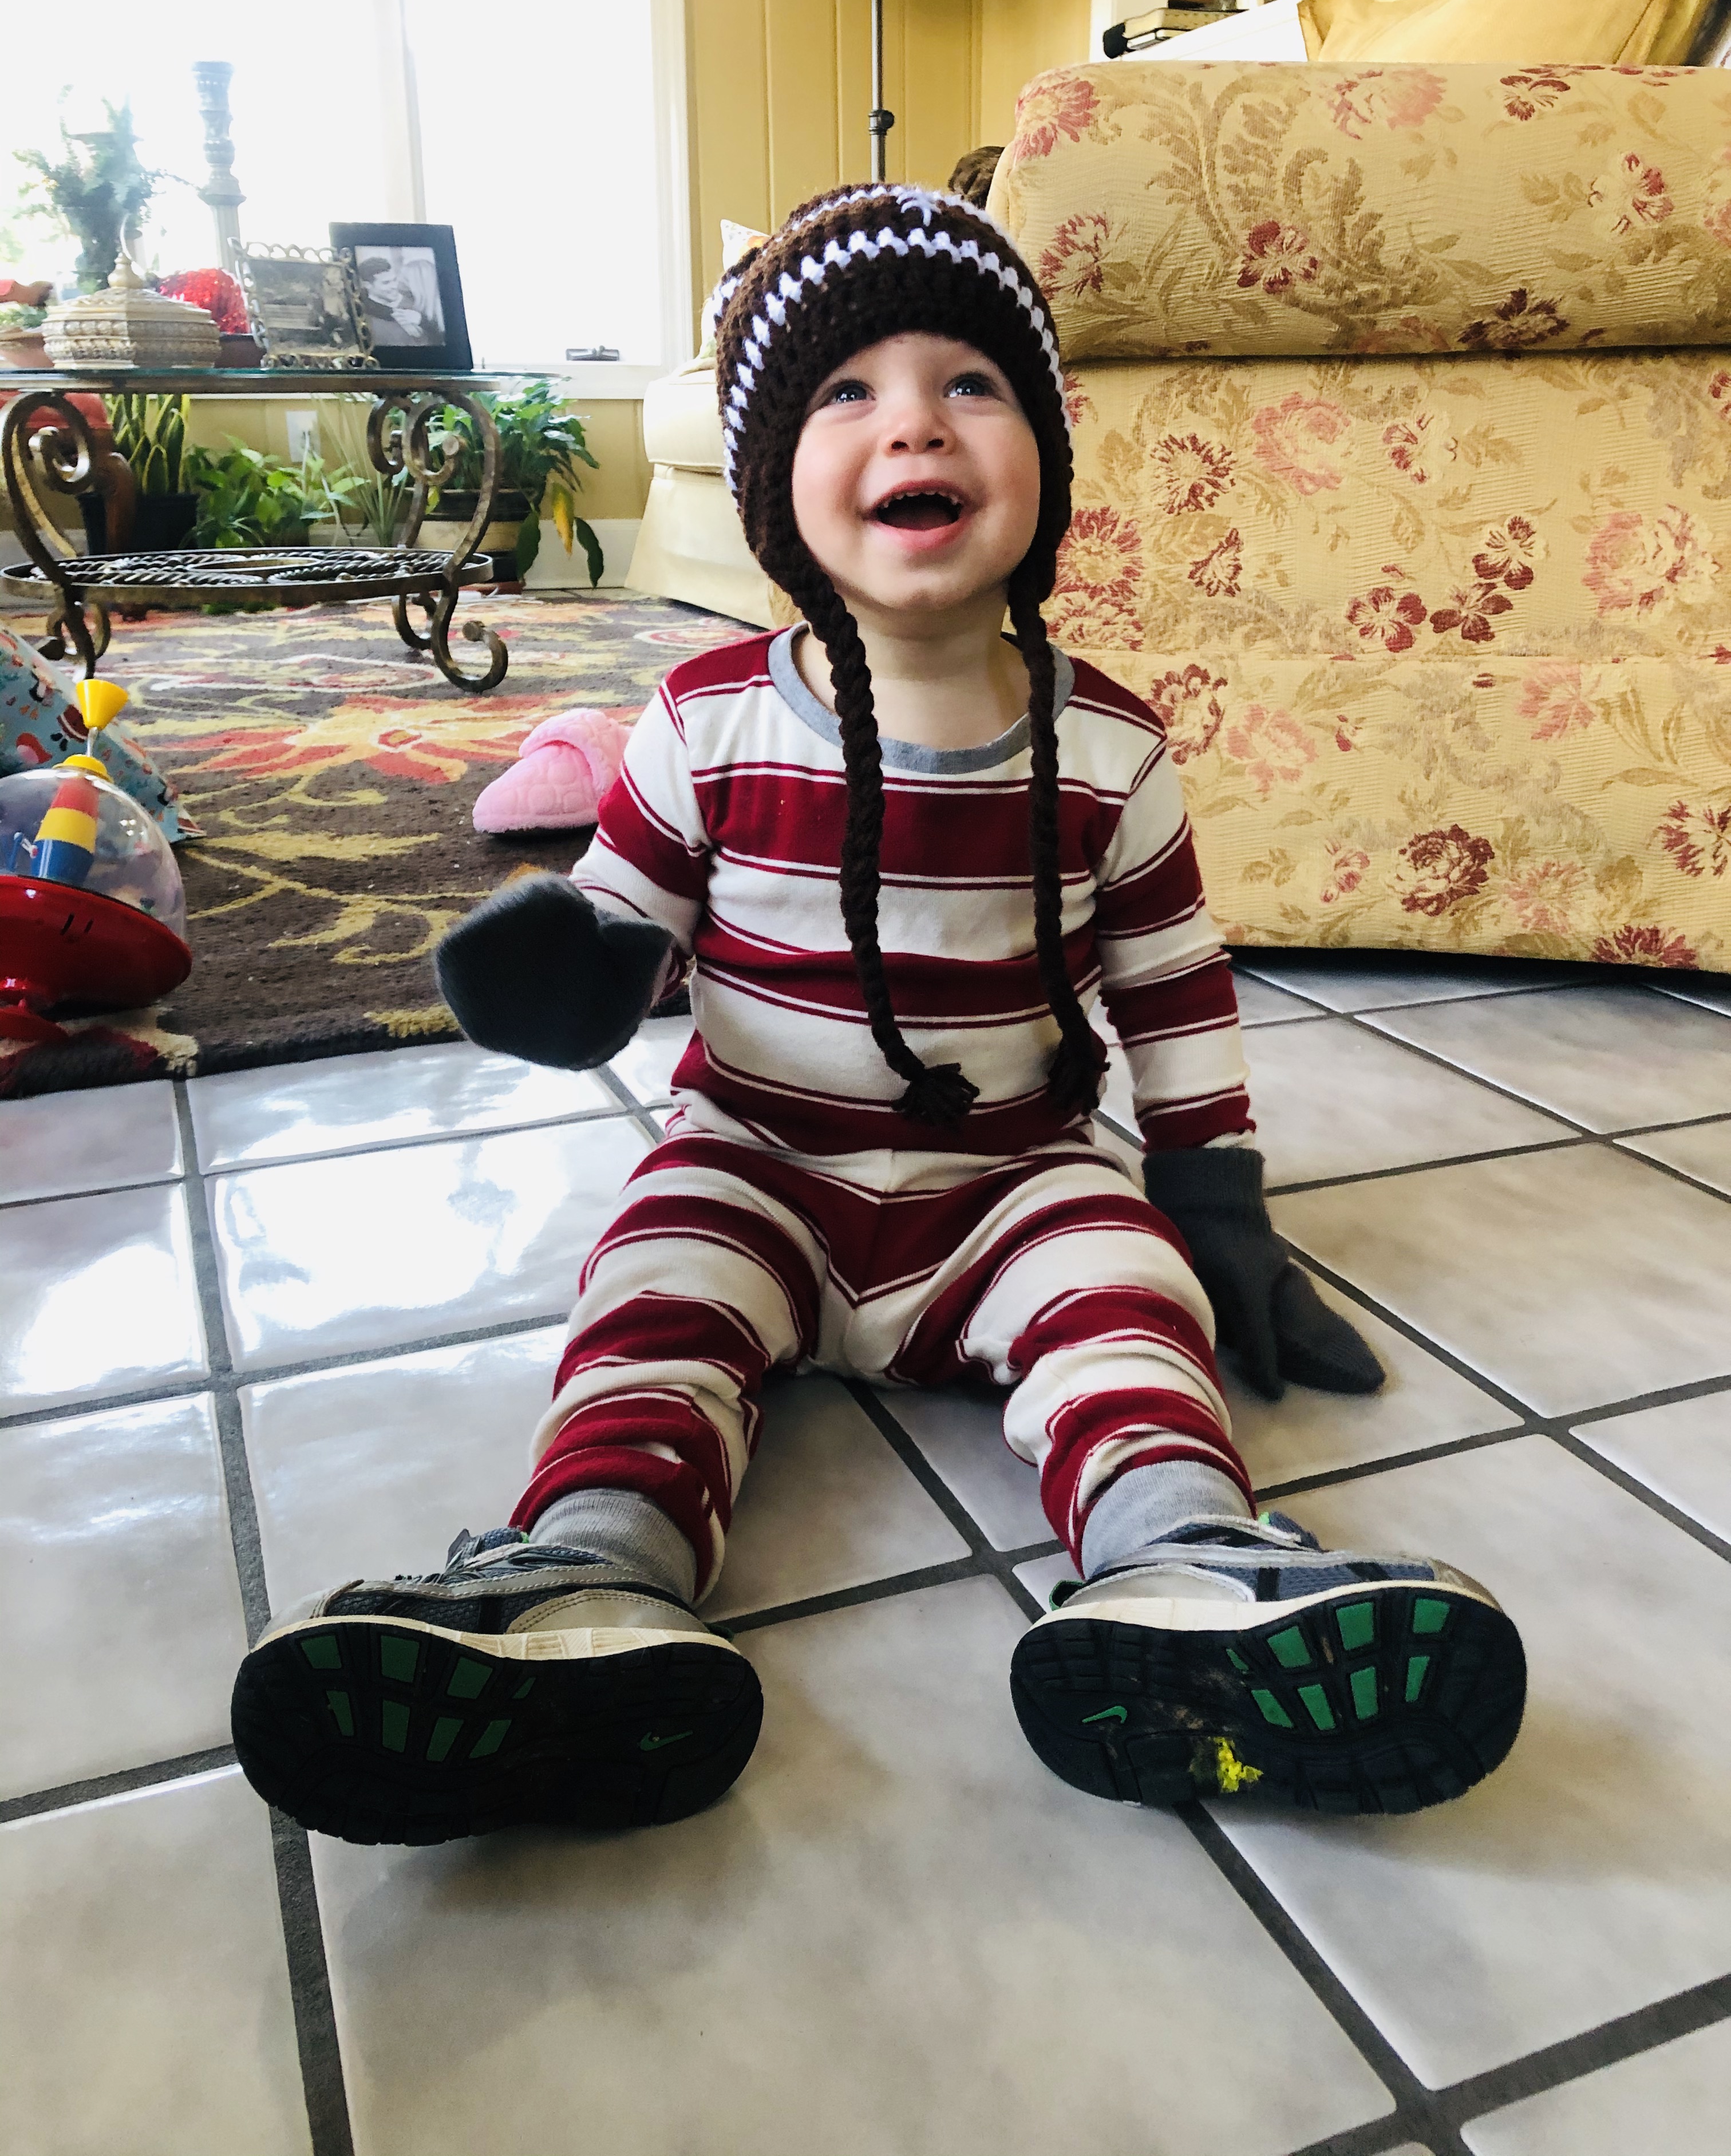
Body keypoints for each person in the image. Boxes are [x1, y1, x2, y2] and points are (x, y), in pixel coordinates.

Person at [230, 185, 1526, 1847]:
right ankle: (586, 1581)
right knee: (654, 1304)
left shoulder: (1112, 748)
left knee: (1125, 1305)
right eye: (849, 392)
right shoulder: (701, 721)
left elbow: (1174, 983)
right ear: (775, 484)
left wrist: (1215, 1208)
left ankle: (1184, 1568)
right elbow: (628, 917)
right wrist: (569, 966)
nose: (915, 421)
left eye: (971, 384)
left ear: (1046, 463)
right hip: (756, 1160)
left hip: (1014, 1180)